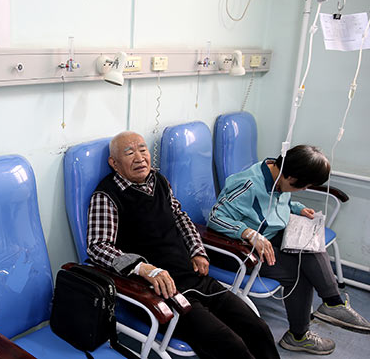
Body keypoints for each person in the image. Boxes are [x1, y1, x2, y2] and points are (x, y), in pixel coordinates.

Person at [87, 131, 279, 359]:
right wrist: (143, 268)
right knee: (230, 344)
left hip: (194, 277)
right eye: (129, 153)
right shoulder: (107, 195)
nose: (139, 158)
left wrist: (198, 252)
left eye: (142, 149)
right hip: (157, 292)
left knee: (258, 328)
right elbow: (98, 246)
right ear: (114, 163)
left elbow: (181, 218)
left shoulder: (159, 180)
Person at [207, 145, 370, 355]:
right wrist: (248, 233)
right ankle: (299, 336)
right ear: (290, 176)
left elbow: (280, 201)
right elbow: (215, 217)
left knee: (310, 244)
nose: (303, 189)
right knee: (298, 274)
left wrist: (297, 208)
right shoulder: (248, 185)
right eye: (302, 186)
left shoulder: (279, 176)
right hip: (236, 250)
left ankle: (333, 303)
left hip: (269, 238)